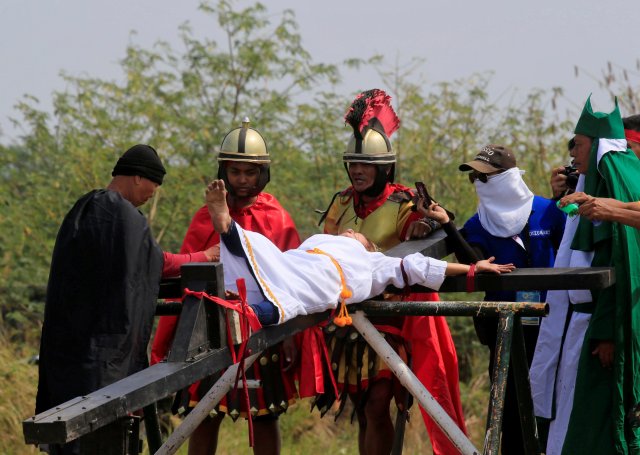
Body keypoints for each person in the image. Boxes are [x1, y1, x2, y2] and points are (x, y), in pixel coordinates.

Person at [35, 144, 218, 455]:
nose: (154, 192)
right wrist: (201, 257)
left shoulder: (84, 209)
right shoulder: (119, 214)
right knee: (96, 434)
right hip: (101, 354)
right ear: (137, 178)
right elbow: (155, 263)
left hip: (68, 347)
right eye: (154, 183)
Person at [319, 89, 465, 455]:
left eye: (365, 165)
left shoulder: (403, 201)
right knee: (363, 408)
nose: (357, 171)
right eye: (353, 164)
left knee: (377, 403)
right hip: (349, 316)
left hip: (392, 318)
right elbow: (326, 246)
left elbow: (438, 220)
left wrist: (426, 228)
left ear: (385, 168)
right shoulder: (340, 202)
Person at [150, 120, 300, 455]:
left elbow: (292, 283)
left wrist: (291, 336)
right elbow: (184, 281)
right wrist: (169, 343)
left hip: (263, 326)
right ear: (224, 172)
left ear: (262, 174)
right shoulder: (205, 217)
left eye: (250, 172)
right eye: (236, 172)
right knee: (203, 414)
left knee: (265, 416)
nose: (243, 180)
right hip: (211, 328)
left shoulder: (277, 218)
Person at [206, 179, 514, 325]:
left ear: (370, 246)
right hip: (294, 262)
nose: (353, 231)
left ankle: (243, 316)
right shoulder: (324, 238)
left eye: (359, 234)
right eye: (351, 231)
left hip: (326, 279)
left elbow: (419, 266)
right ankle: (227, 226)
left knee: (292, 301)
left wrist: (473, 269)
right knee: (259, 247)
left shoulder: (374, 261)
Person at [530, 96, 640, 454]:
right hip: (580, 325)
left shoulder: (610, 197)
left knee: (593, 421)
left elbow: (618, 264)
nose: (572, 153)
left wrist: (606, 331)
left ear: (596, 146)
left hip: (598, 327)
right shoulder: (595, 192)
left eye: (577, 145)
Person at [457, 145, 565, 455]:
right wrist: (444, 225)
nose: (478, 183)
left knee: (553, 403)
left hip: (551, 327)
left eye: (485, 177)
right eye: (474, 178)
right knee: (508, 409)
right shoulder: (476, 225)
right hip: (504, 331)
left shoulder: (550, 210)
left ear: (507, 179)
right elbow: (471, 263)